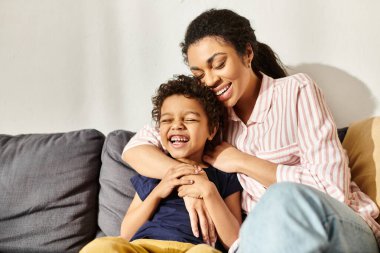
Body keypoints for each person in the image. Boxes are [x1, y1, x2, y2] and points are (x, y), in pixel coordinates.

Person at [122, 8, 380, 253]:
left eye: (219, 64)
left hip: (340, 227)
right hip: (266, 241)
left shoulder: (295, 91)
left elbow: (332, 190)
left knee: (280, 197)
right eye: (200, 74)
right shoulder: (210, 118)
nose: (210, 81)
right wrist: (189, 179)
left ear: (247, 53)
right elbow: (135, 149)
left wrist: (242, 162)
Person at [80, 75, 242, 253]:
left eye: (189, 119)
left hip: (193, 249)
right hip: (145, 246)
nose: (177, 126)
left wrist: (209, 191)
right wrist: (158, 192)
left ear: (211, 130)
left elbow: (234, 241)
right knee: (102, 246)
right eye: (167, 120)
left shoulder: (223, 176)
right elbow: (125, 233)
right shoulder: (154, 171)